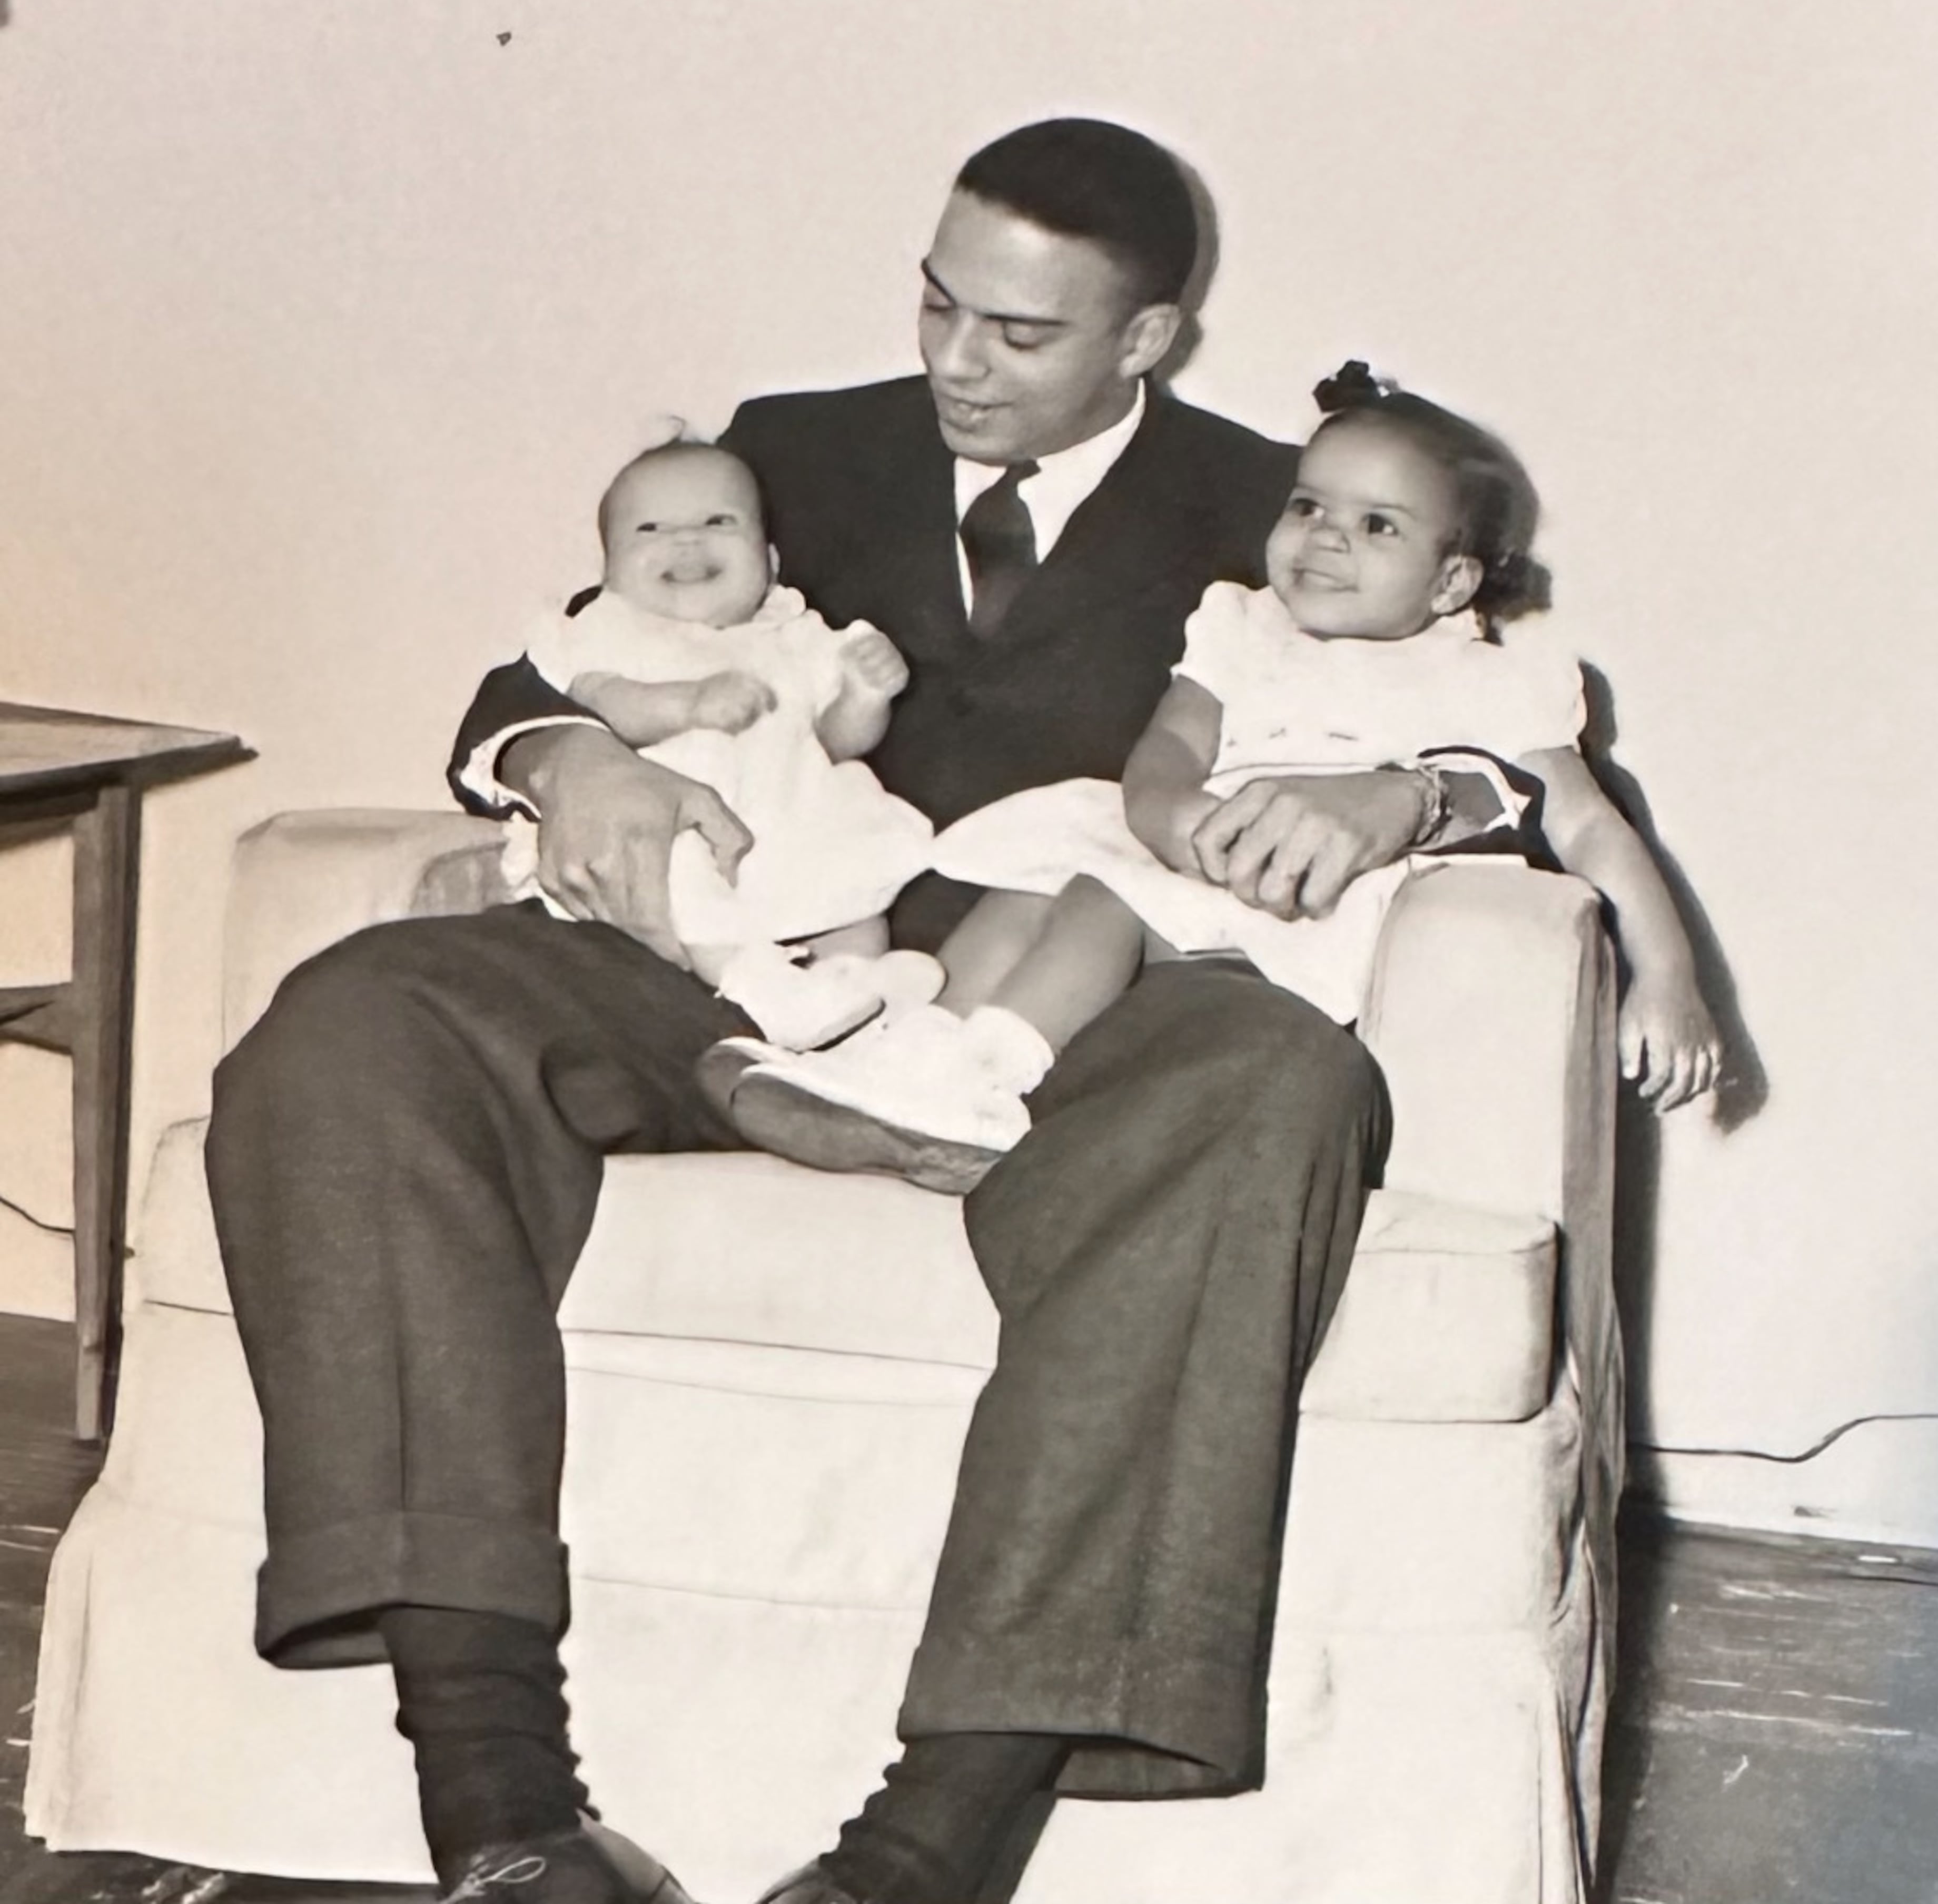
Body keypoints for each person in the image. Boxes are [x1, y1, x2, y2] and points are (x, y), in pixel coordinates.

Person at [206, 118, 1529, 1904]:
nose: (955, 363)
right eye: (936, 305)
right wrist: (570, 751)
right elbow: (543, 668)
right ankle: (506, 1817)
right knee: (360, 1017)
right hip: (751, 949)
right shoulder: (788, 453)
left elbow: (1524, 727)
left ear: (1145, 340)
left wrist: (1416, 798)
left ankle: (921, 1860)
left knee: (1278, 1080)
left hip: (1073, 983)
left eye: (1019, 335)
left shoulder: (1276, 499)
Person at [715, 364, 1723, 1186]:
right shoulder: (1241, 626)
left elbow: (1591, 829)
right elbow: (1168, 747)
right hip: (1189, 858)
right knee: (1025, 893)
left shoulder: (1484, 679)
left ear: (1454, 580)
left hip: (1307, 904)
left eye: (1378, 527)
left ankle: (984, 1090)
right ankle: (909, 1059)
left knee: (1101, 902)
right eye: (1310, 506)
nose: (1326, 536)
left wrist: (1669, 980)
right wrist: (1169, 815)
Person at [502, 437, 940, 1048]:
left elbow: (836, 744)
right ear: (610, 571)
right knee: (678, 873)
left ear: (771, 560)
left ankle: (861, 998)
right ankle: (755, 985)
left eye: (717, 521)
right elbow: (600, 701)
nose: (685, 540)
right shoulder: (613, 628)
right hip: (676, 825)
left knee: (853, 886)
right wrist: (688, 704)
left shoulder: (795, 634)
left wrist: (864, 697)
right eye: (650, 529)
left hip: (790, 820)